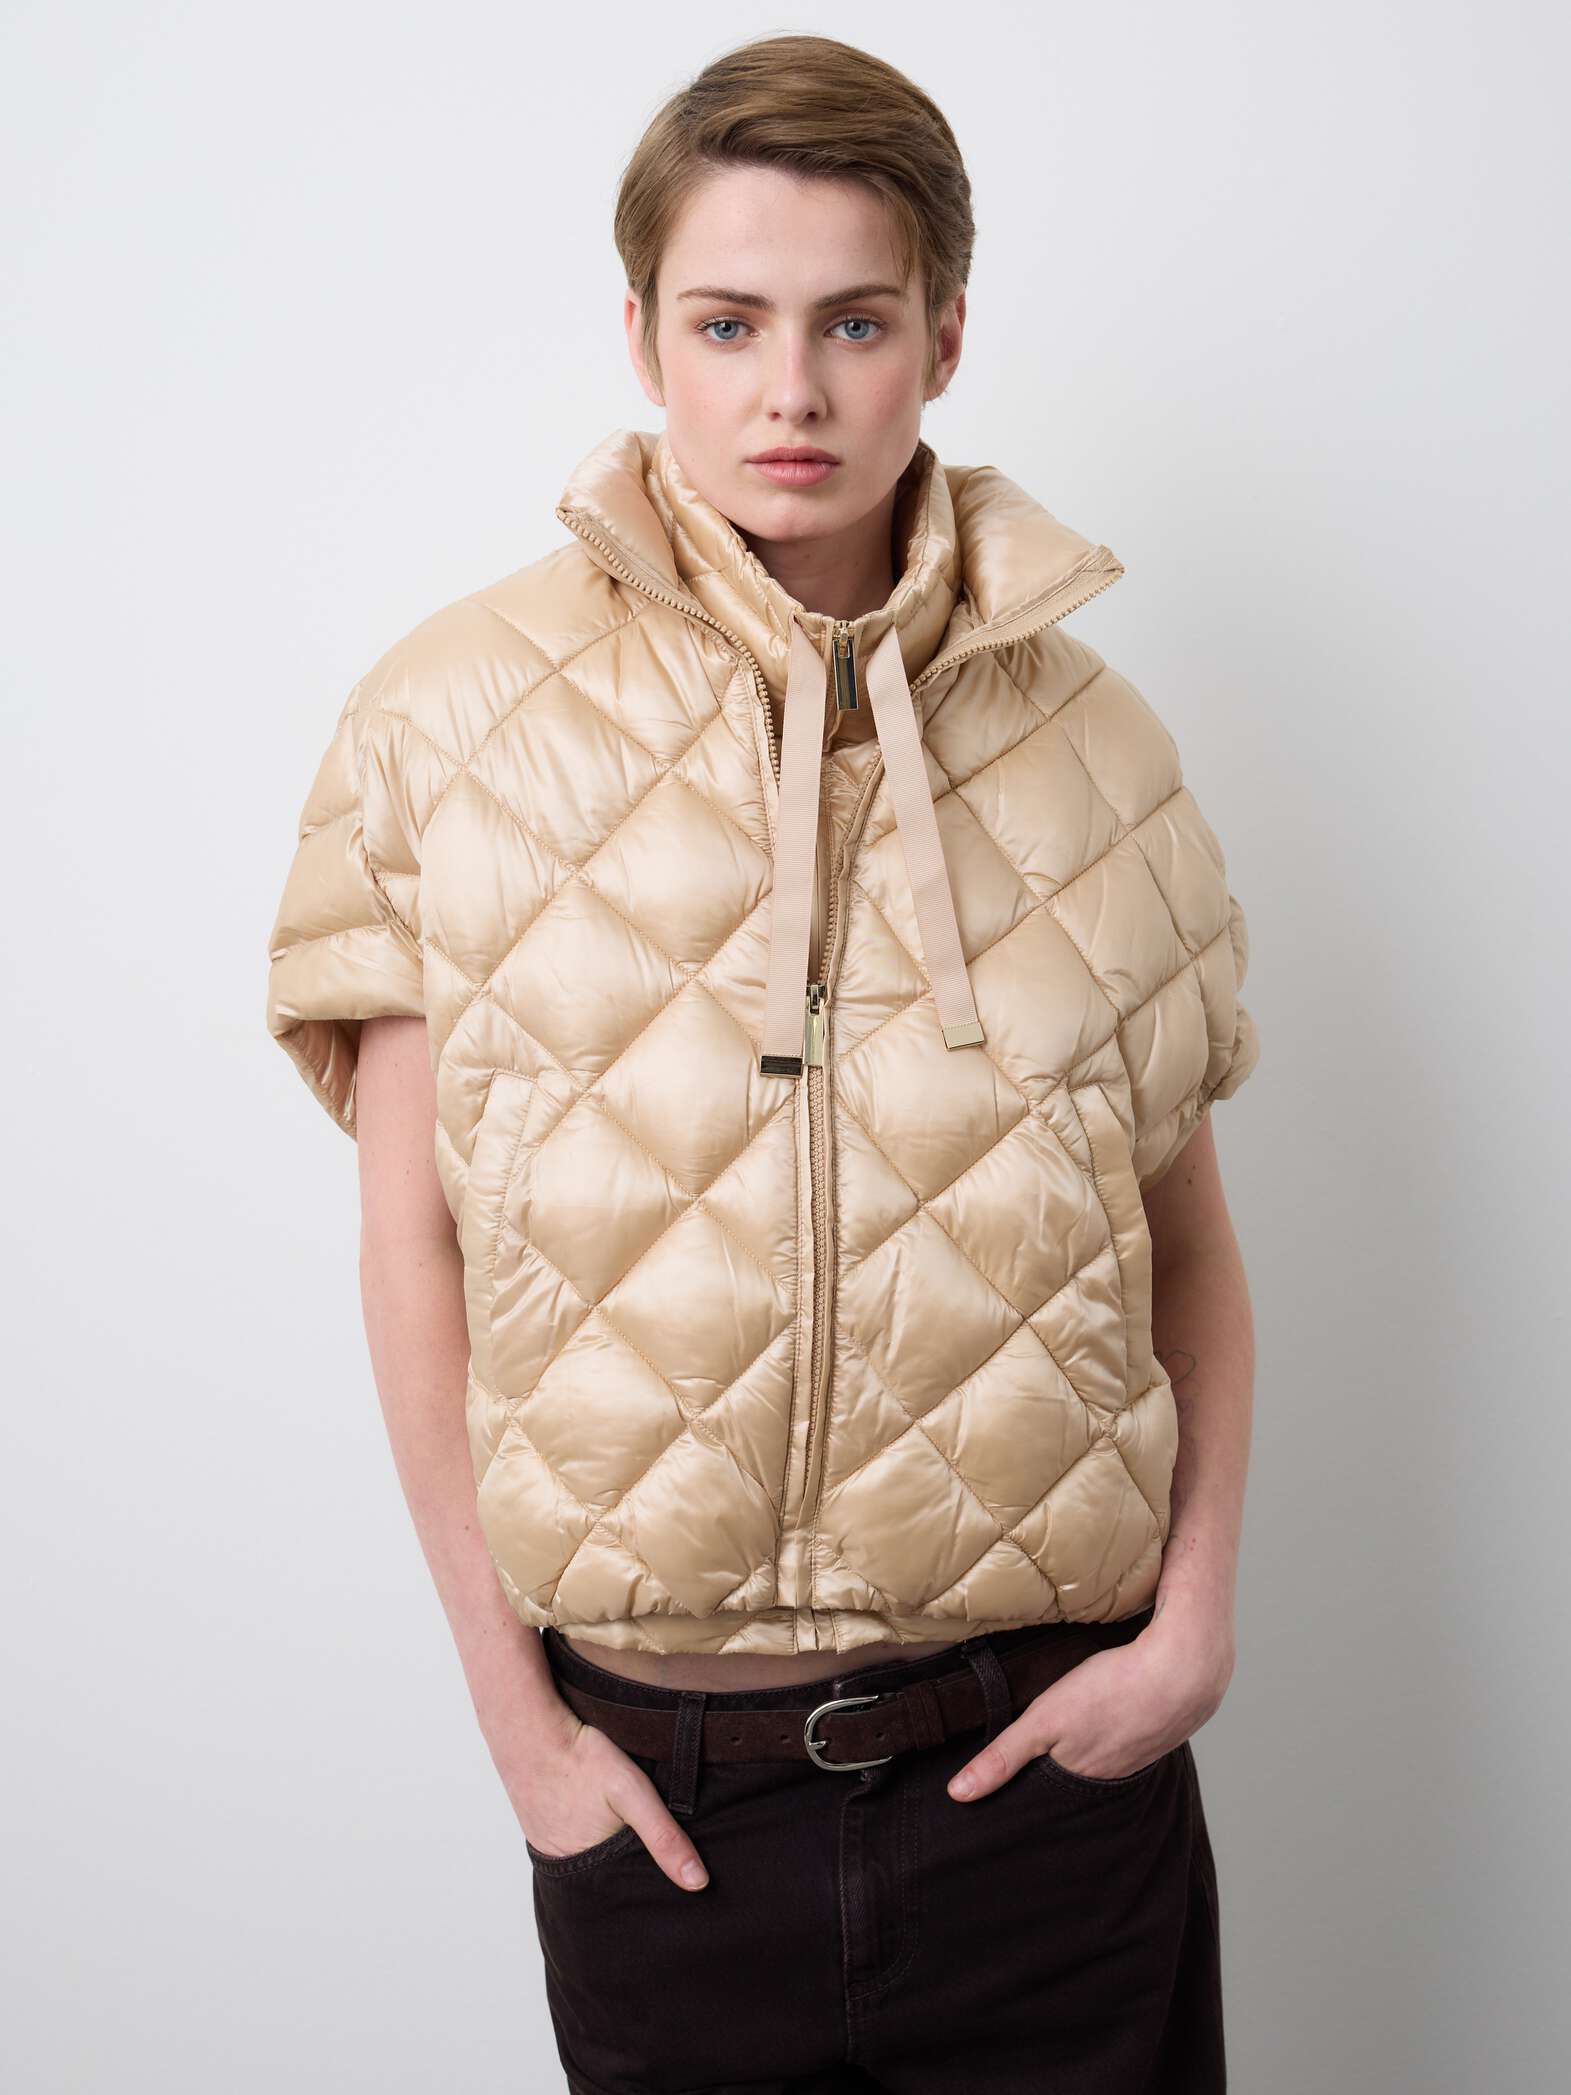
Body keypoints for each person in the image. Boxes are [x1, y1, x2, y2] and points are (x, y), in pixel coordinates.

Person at [265, 31, 1258, 2092]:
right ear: (643, 336)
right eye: (728, 323)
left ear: (944, 338)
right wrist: (522, 1732)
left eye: (853, 322)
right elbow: (412, 1248)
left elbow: (1186, 1248)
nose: (791, 392)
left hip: (1052, 1793)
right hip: (667, 1813)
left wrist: (1189, 1634)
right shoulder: (449, 726)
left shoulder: (1099, 748)